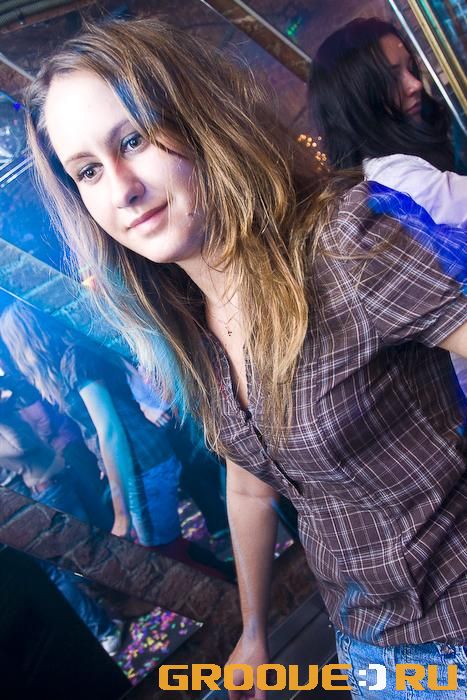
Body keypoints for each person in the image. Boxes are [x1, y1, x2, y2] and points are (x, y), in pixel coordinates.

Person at [24, 18, 466, 699]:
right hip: (370, 645)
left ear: (198, 119)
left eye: (133, 140)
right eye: (87, 170)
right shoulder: (188, 322)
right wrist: (254, 631)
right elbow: (250, 486)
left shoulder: (339, 246)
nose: (121, 187)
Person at [308, 17, 466, 227]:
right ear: (357, 101)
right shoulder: (394, 178)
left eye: (411, 68)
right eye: (392, 79)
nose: (415, 85)